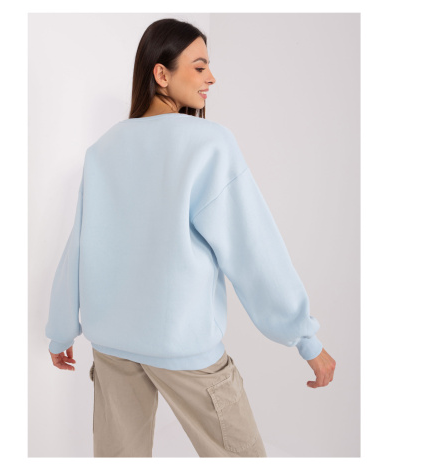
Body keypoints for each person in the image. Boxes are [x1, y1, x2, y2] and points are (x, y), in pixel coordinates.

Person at [45, 18, 336, 458]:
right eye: (199, 67)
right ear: (161, 73)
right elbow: (253, 248)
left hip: (112, 347)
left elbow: (79, 247)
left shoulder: (102, 149)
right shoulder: (208, 143)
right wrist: (305, 338)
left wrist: (61, 329)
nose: (211, 77)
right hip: (182, 346)